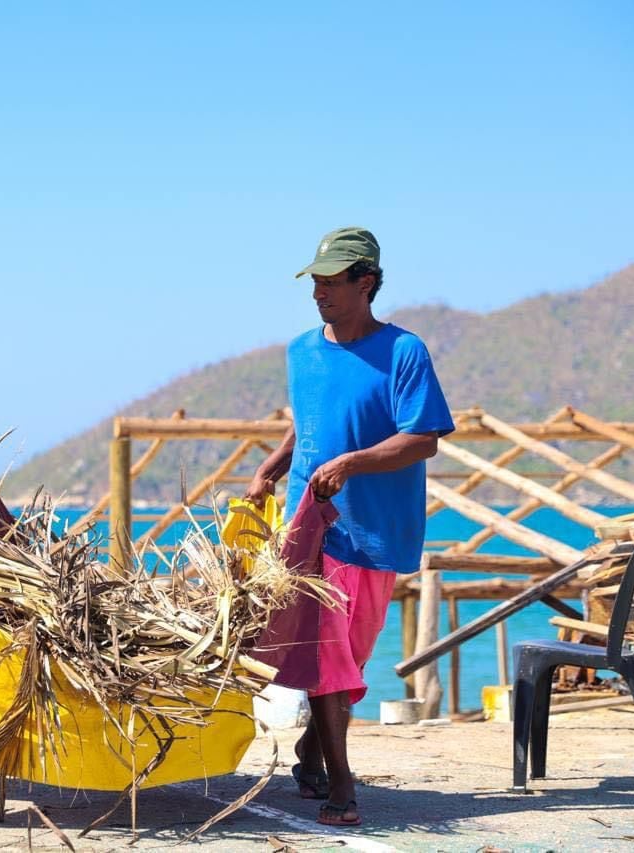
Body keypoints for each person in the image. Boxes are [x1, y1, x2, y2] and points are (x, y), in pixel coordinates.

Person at [246, 227, 453, 827]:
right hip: (311, 528)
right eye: (315, 282)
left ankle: (310, 759)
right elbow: (310, 420)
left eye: (332, 282)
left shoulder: (404, 352)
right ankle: (342, 788)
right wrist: (273, 464)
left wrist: (352, 462)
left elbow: (423, 438)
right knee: (325, 657)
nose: (319, 293)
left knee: (349, 659)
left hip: (379, 530)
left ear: (366, 282)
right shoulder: (301, 351)